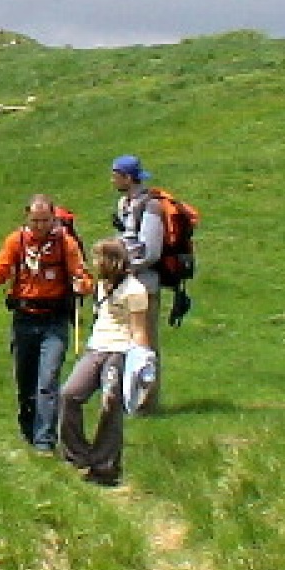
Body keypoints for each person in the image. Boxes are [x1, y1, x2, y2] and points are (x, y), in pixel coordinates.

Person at [0, 195, 92, 451]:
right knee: (25, 381)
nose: (40, 226)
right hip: (24, 319)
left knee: (48, 381)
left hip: (55, 320)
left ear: (53, 218)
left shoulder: (65, 243)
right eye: (35, 220)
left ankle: (44, 441)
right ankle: (28, 427)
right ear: (27, 217)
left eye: (45, 220)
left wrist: (82, 285)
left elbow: (82, 274)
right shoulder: (16, 241)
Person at [59, 238, 152, 485]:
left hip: (119, 351)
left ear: (114, 261)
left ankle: (105, 465)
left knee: (110, 402)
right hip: (96, 347)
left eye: (100, 258)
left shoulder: (135, 290)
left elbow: (139, 329)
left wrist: (143, 364)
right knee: (69, 394)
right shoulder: (101, 285)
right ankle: (76, 456)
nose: (96, 263)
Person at [111, 154, 166, 412]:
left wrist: (128, 266)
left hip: (145, 283)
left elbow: (152, 250)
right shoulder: (124, 203)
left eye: (116, 175)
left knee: (145, 343)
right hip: (127, 281)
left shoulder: (151, 206)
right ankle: (129, 398)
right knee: (126, 340)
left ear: (128, 177)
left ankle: (147, 403)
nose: (113, 180)